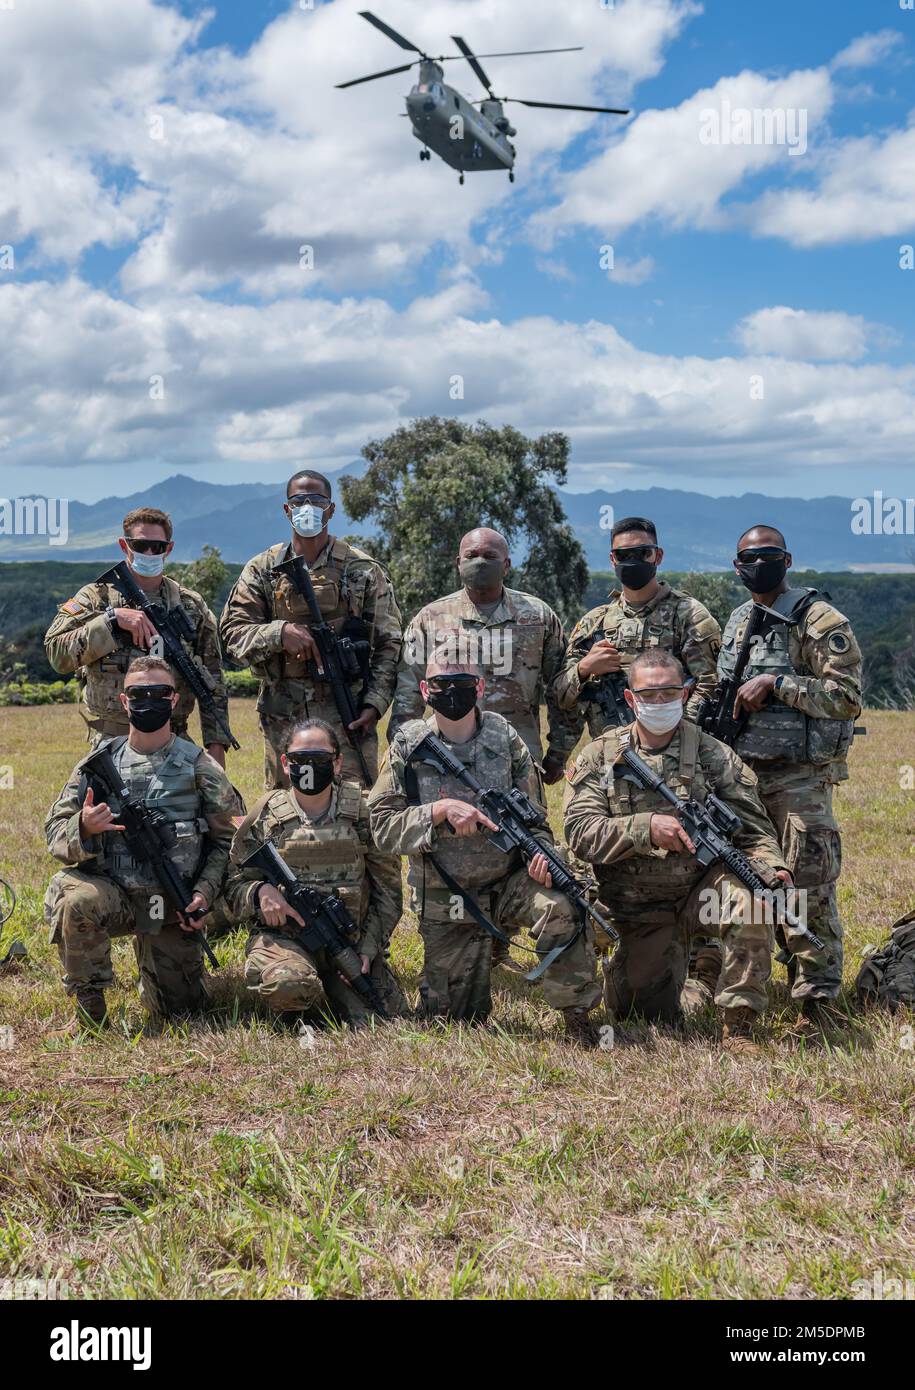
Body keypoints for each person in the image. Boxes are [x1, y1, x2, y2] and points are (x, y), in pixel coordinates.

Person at [563, 649, 803, 1053]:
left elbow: (755, 831)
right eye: (649, 694)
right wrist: (646, 829)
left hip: (700, 893)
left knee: (754, 901)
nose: (659, 702)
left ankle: (739, 1026)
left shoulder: (714, 755)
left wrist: (772, 867)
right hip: (636, 906)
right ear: (629, 698)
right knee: (643, 1013)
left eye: (669, 693)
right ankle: (697, 971)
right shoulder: (600, 756)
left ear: (687, 693)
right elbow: (580, 832)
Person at [368, 661, 601, 1043]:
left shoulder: (504, 737)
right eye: (442, 683)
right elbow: (382, 827)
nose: (452, 691)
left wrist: (541, 856)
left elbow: (536, 817)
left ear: (479, 688)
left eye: (462, 682)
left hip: (509, 881)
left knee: (562, 904)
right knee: (453, 1023)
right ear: (425, 691)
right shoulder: (408, 745)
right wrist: (438, 812)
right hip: (449, 896)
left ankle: (577, 1018)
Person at [553, 515, 723, 1007]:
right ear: (612, 560)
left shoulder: (691, 616)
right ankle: (625, 942)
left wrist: (666, 735)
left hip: (677, 766)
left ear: (658, 556)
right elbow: (562, 695)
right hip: (609, 771)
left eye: (642, 553)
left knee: (687, 858)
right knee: (619, 860)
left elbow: (709, 687)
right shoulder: (593, 625)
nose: (633, 562)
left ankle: (704, 961)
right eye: (624, 554)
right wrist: (585, 668)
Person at [715, 524, 863, 1037]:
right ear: (737, 567)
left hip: (800, 777)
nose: (759, 564)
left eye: (769, 555)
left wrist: (778, 684)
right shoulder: (737, 620)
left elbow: (846, 696)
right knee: (751, 883)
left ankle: (818, 999)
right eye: (749, 558)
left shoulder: (817, 618)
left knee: (809, 886)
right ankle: (752, 987)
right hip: (743, 778)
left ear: (788, 559)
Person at [43, 656, 236, 1027]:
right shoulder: (97, 765)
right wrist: (82, 827)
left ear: (174, 700)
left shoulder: (198, 766)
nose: (149, 700)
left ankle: (157, 968)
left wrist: (203, 893)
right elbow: (53, 833)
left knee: (181, 1013)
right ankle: (90, 1008)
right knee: (75, 899)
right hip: (113, 895)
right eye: (138, 693)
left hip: (169, 903)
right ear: (124, 701)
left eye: (159, 693)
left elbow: (229, 841)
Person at [219, 469, 402, 791]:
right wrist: (280, 634)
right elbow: (232, 633)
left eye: (316, 500)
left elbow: (390, 643)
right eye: (298, 500)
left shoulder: (363, 570)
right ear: (287, 510)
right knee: (283, 810)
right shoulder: (263, 570)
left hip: (348, 714)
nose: (307, 506)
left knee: (356, 806)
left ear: (331, 509)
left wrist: (374, 704)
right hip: (283, 715)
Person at [225, 719, 408, 1026]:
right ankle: (298, 993)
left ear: (337, 763)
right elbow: (231, 885)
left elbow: (388, 893)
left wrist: (367, 949)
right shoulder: (265, 816)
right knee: (290, 986)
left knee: (385, 1012)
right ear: (284, 763)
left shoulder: (363, 813)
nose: (309, 766)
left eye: (320, 758)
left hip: (348, 942)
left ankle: (328, 992)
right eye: (299, 758)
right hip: (285, 940)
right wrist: (259, 893)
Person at [44, 507, 232, 767]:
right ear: (124, 546)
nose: (150, 553)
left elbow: (213, 679)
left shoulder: (190, 605)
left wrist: (216, 745)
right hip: (112, 740)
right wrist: (111, 621)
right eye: (141, 545)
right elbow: (56, 654)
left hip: (174, 738)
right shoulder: (95, 598)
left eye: (158, 546)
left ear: (169, 548)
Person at [390, 526, 578, 782]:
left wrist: (559, 753)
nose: (480, 562)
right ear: (458, 563)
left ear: (507, 565)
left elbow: (561, 688)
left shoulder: (537, 617)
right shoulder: (430, 619)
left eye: (490, 556)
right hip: (447, 758)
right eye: (472, 555)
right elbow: (408, 694)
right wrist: (400, 750)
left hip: (519, 758)